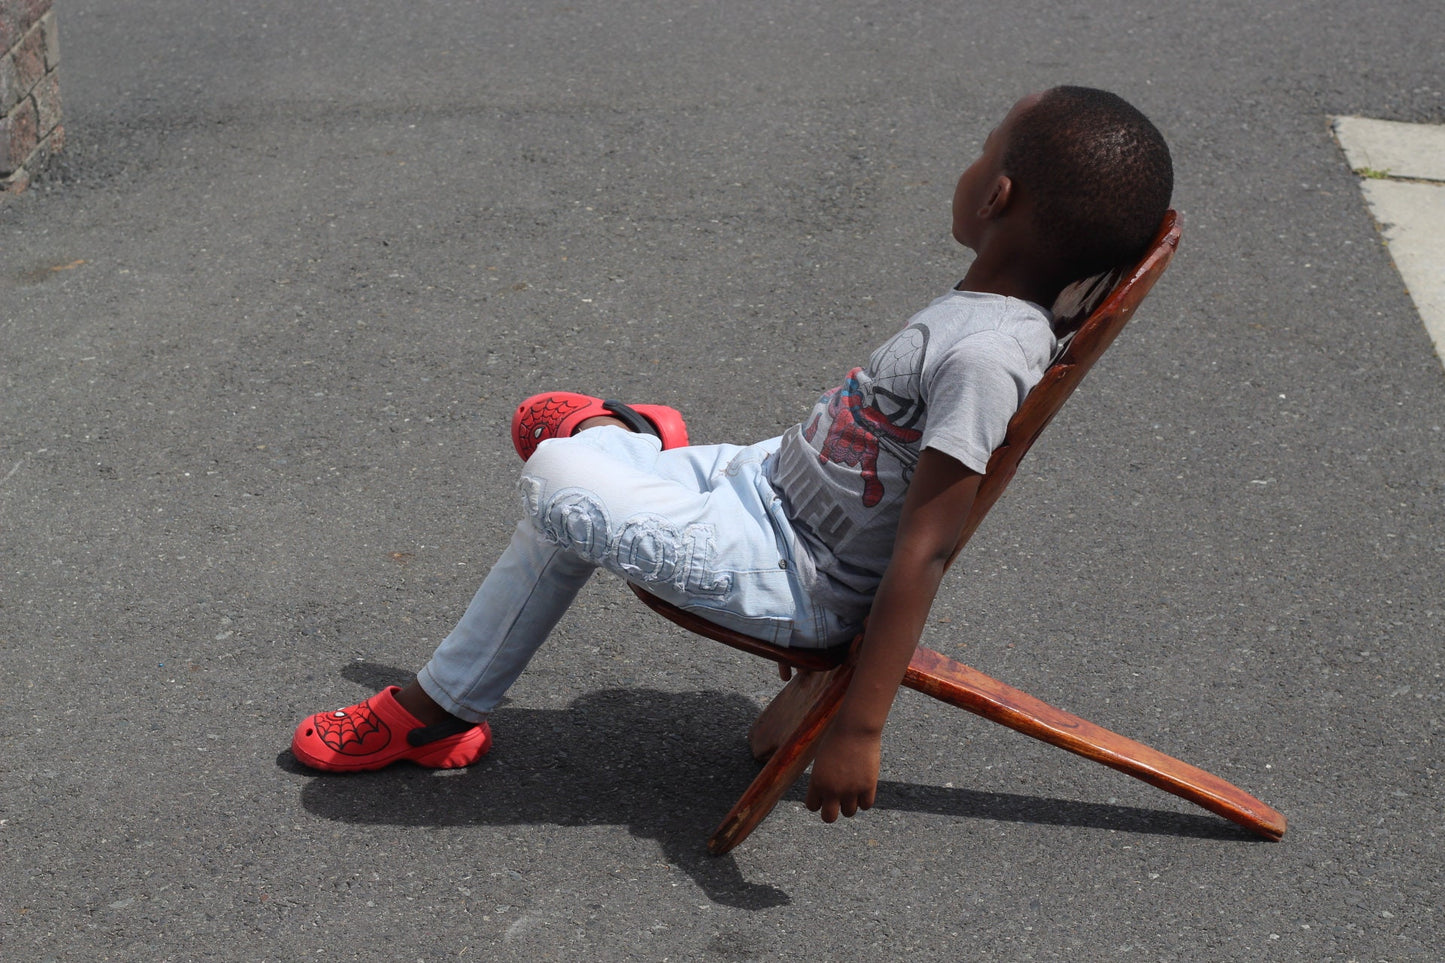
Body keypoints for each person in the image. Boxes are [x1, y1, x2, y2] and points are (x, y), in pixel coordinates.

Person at [291, 86, 1173, 825]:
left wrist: (858, 726)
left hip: (795, 570)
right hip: (759, 481)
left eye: (980, 154)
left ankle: (616, 450)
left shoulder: (988, 354)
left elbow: (926, 546)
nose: (966, 166)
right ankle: (468, 670)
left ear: (997, 197)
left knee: (559, 480)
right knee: (563, 477)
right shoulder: (986, 314)